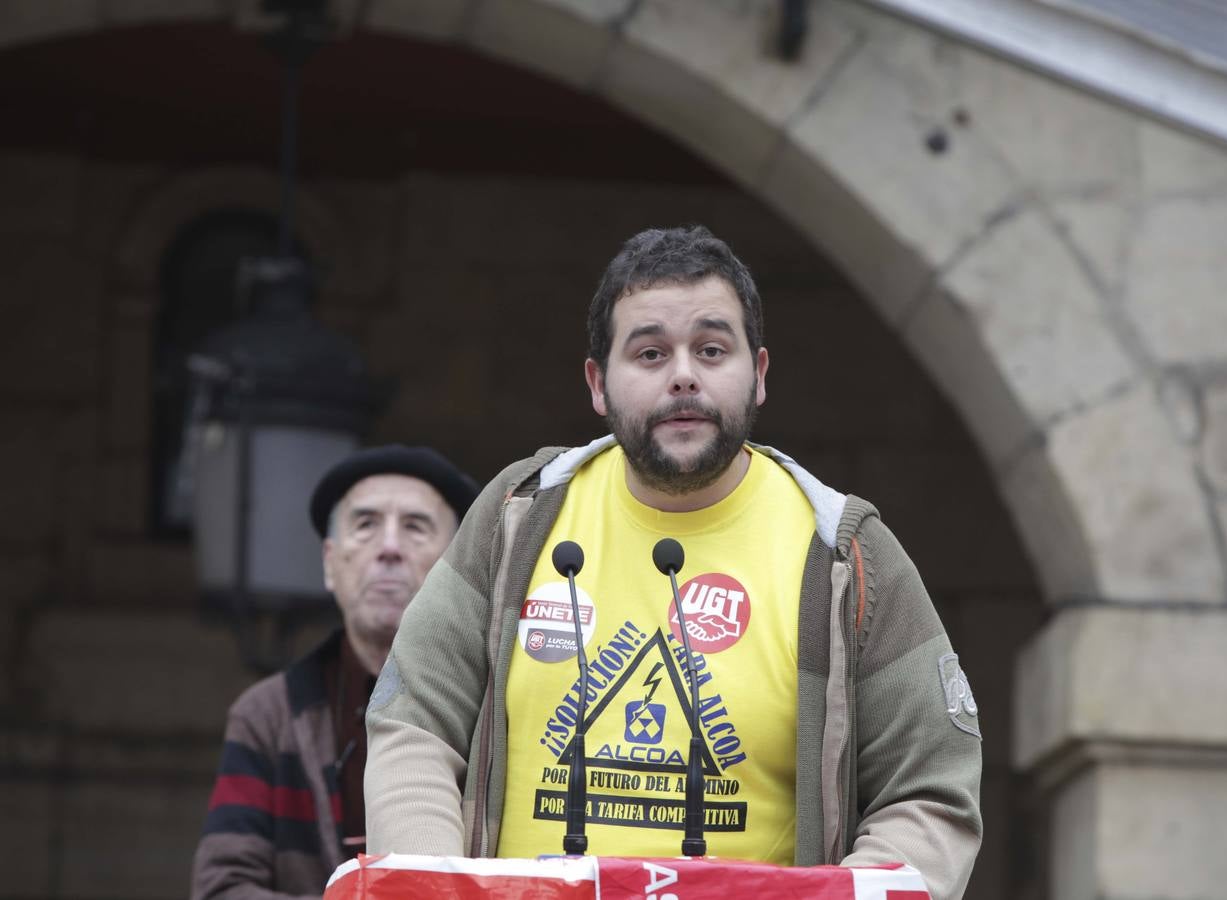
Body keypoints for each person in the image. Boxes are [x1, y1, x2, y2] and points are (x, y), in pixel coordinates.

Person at [365, 227, 983, 898]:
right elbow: (414, 720)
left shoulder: (845, 552)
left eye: (712, 349)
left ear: (760, 374)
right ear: (599, 384)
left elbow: (929, 792)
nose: (683, 374)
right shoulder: (517, 516)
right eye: (651, 352)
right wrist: (429, 886)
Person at [191, 445, 478, 899]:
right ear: (329, 562)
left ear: (455, 565)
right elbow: (222, 889)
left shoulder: (499, 707)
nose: (389, 548)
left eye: (415, 528)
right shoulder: (269, 715)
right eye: (365, 525)